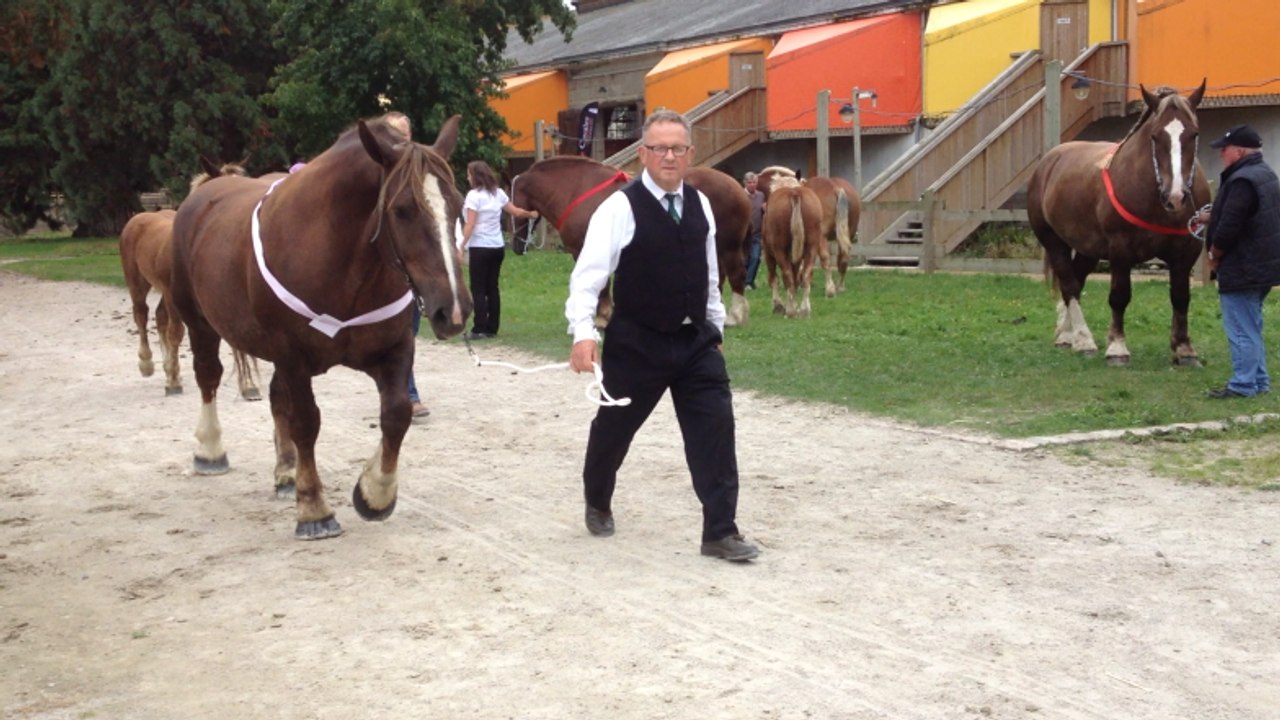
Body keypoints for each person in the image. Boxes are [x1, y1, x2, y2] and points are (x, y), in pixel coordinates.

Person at [565, 109, 760, 562]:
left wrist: (714, 325)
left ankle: (720, 531)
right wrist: (583, 333)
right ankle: (597, 497)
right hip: (638, 344)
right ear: (644, 155)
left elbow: (709, 271)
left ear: (690, 153)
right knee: (613, 431)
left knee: (716, 430)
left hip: (696, 343)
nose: (668, 156)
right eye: (659, 148)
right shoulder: (619, 207)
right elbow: (587, 277)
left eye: (677, 148)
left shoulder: (701, 204)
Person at [1201, 124, 1280, 399]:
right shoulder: (1264, 174)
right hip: (1262, 265)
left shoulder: (1242, 180)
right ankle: (1259, 381)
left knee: (1240, 328)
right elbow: (1248, 214)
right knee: (1251, 325)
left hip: (1243, 266)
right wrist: (1211, 215)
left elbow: (1231, 226)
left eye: (1225, 149)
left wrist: (1214, 254)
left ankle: (1243, 385)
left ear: (1240, 151)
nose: (1222, 153)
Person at [459, 160, 538, 340]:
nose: (467, 177)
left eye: (469, 174)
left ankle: (479, 327)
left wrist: (460, 245)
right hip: (497, 247)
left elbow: (470, 224)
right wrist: (531, 214)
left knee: (478, 288)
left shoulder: (473, 196)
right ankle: (492, 327)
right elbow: (516, 211)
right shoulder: (498, 193)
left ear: (475, 176)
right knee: (492, 288)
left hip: (479, 246)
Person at [743, 171, 765, 290]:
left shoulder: (761, 195)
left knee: (756, 258)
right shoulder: (740, 195)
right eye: (750, 182)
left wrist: (764, 209)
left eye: (754, 182)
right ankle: (747, 281)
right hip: (743, 233)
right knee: (745, 259)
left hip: (757, 233)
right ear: (745, 183)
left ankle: (748, 281)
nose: (752, 185)